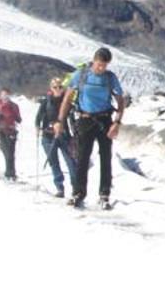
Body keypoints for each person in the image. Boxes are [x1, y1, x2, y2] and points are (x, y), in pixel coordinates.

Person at [55, 47, 128, 210]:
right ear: (94, 61)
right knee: (82, 158)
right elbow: (67, 100)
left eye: (105, 65)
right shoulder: (81, 75)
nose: (102, 68)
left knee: (106, 157)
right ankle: (78, 193)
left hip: (104, 120)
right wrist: (60, 120)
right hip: (85, 119)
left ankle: (104, 194)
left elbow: (120, 100)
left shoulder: (110, 78)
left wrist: (117, 123)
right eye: (100, 64)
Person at [34, 73, 77, 199]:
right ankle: (59, 187)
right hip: (48, 136)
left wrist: (75, 135)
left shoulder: (68, 102)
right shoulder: (46, 102)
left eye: (60, 87)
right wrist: (37, 128)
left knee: (71, 162)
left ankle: (75, 188)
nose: (58, 89)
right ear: (51, 88)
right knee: (54, 162)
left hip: (64, 136)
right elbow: (39, 117)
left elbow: (72, 119)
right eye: (55, 87)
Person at [0, 87, 22, 181]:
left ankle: (11, 173)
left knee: (11, 153)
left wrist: (17, 118)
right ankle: (9, 173)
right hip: (1, 131)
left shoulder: (14, 106)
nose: (5, 97)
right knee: (7, 152)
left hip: (11, 131)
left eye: (6, 95)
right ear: (0, 95)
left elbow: (19, 118)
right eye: (3, 95)